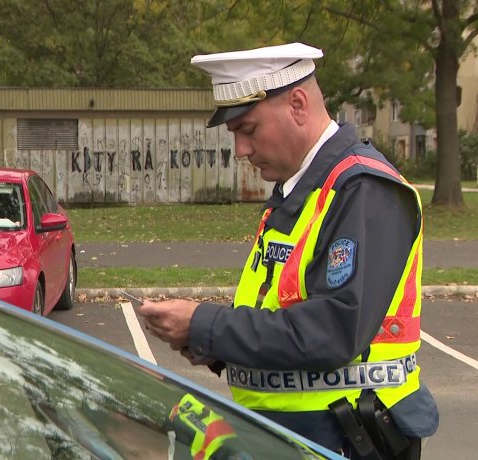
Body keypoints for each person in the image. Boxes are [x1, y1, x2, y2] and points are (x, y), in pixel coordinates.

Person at [137, 42, 439, 459]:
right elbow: (279, 316)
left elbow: (333, 330)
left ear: (297, 103)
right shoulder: (302, 190)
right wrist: (209, 342)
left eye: (249, 129)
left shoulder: (363, 190)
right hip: (302, 436)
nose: (241, 150)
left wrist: (206, 325)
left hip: (346, 437)